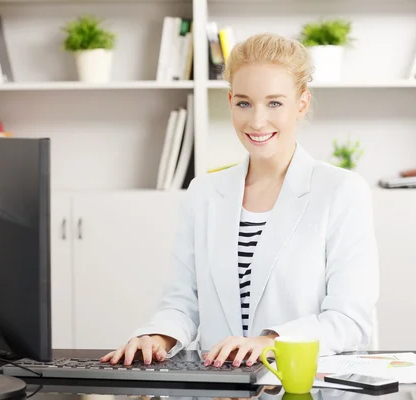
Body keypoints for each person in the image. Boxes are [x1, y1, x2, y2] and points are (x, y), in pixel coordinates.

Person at [101, 32, 379, 369]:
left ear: (301, 104)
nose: (257, 121)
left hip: (303, 386)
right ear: (230, 101)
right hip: (219, 387)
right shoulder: (203, 193)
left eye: (275, 103)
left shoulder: (341, 191)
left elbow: (349, 320)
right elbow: (182, 302)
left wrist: (267, 342)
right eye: (244, 103)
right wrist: (158, 338)